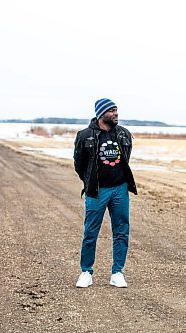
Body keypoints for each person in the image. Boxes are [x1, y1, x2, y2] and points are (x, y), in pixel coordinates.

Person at [73, 98, 137, 288]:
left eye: (117, 110)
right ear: (101, 114)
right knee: (91, 232)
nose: (116, 113)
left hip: (120, 190)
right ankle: (86, 272)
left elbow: (126, 159)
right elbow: (79, 164)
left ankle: (117, 272)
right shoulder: (85, 135)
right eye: (111, 110)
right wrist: (89, 182)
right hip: (97, 191)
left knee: (121, 231)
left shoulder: (124, 134)